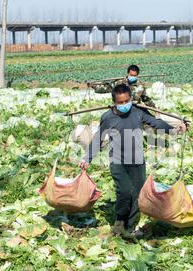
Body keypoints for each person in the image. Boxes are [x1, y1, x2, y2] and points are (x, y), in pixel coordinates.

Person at [79, 84, 187, 238]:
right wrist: (87, 158)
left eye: (127, 101)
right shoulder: (108, 117)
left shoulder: (138, 112)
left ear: (130, 98)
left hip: (137, 161)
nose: (124, 105)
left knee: (137, 194)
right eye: (120, 102)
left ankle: (130, 227)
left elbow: (156, 123)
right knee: (124, 192)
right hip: (118, 161)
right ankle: (119, 221)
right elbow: (98, 138)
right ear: (114, 102)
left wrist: (175, 130)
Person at [91, 65, 157, 108]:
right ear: (128, 73)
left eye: (135, 76)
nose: (133, 77)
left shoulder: (140, 86)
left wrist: (154, 108)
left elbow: (146, 99)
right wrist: (93, 85)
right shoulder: (119, 83)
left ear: (137, 75)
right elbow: (105, 88)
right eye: (131, 75)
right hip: (120, 109)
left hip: (134, 109)